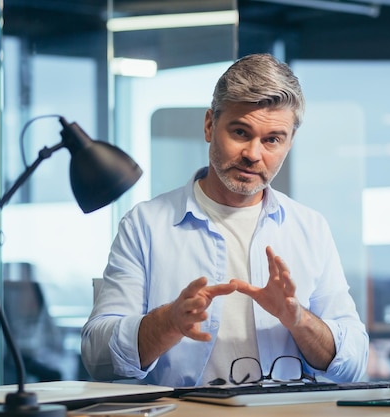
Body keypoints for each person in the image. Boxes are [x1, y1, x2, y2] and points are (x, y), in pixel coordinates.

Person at [81, 53, 368, 388]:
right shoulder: (145, 224)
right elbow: (97, 356)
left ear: (289, 143)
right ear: (209, 125)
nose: (253, 154)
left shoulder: (310, 228)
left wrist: (298, 318)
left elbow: (354, 363)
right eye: (240, 132)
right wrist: (170, 321)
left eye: (272, 139)